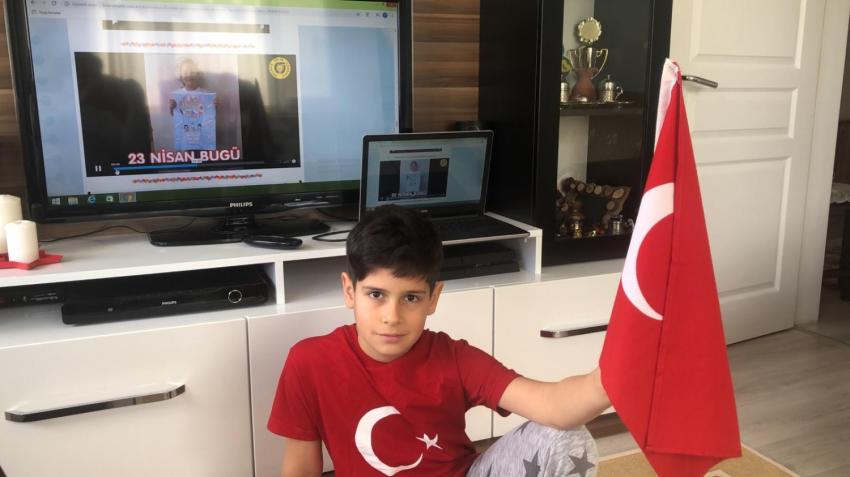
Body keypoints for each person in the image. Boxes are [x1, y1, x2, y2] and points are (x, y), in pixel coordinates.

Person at [268, 205, 610, 476]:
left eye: (411, 298)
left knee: (568, 438)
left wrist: (610, 379)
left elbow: (552, 404)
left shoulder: (454, 358)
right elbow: (300, 468)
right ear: (349, 290)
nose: (392, 316)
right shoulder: (309, 361)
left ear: (433, 298)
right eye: (376, 294)